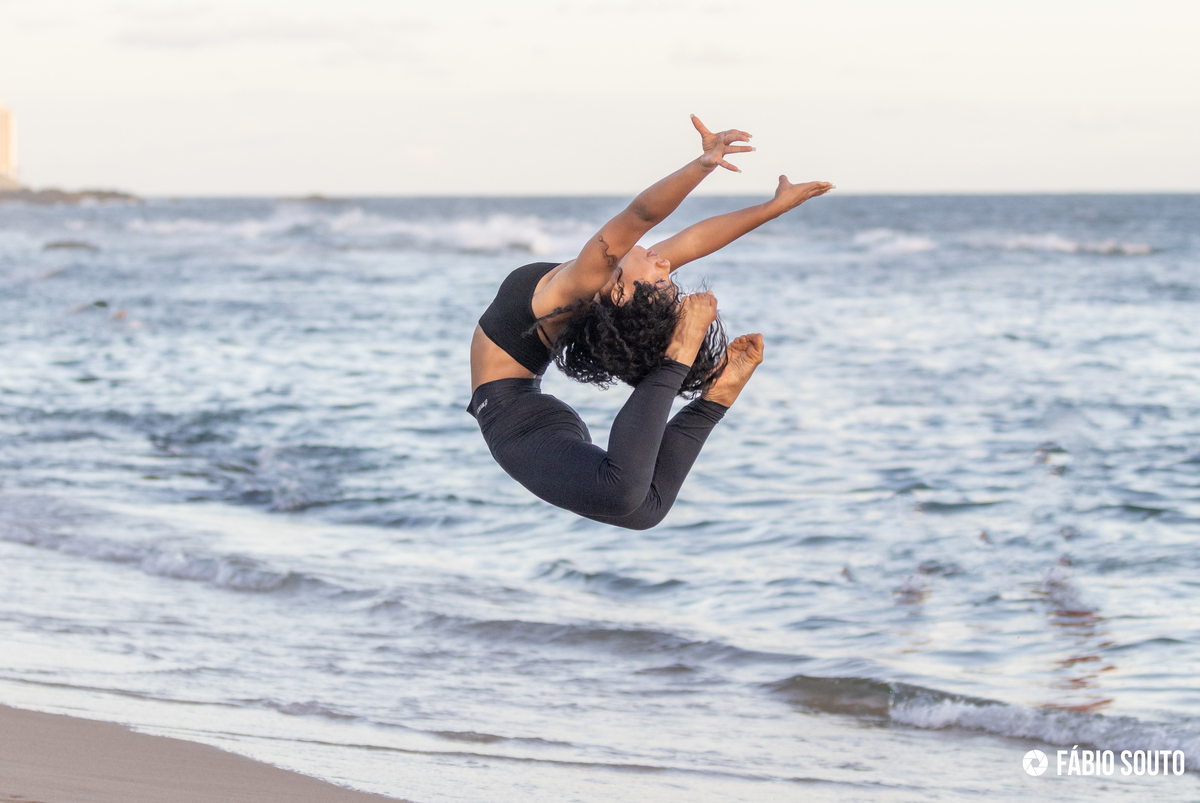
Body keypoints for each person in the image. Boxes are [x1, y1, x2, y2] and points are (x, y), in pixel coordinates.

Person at [469, 116, 833, 529]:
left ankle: (677, 360)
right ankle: (715, 398)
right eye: (665, 274)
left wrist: (705, 163)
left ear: (623, 294)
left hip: (511, 418)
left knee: (628, 498)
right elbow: (693, 241)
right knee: (643, 510)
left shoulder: (588, 280)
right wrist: (770, 208)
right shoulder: (603, 289)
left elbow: (642, 214)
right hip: (526, 414)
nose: (664, 262)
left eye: (661, 277)